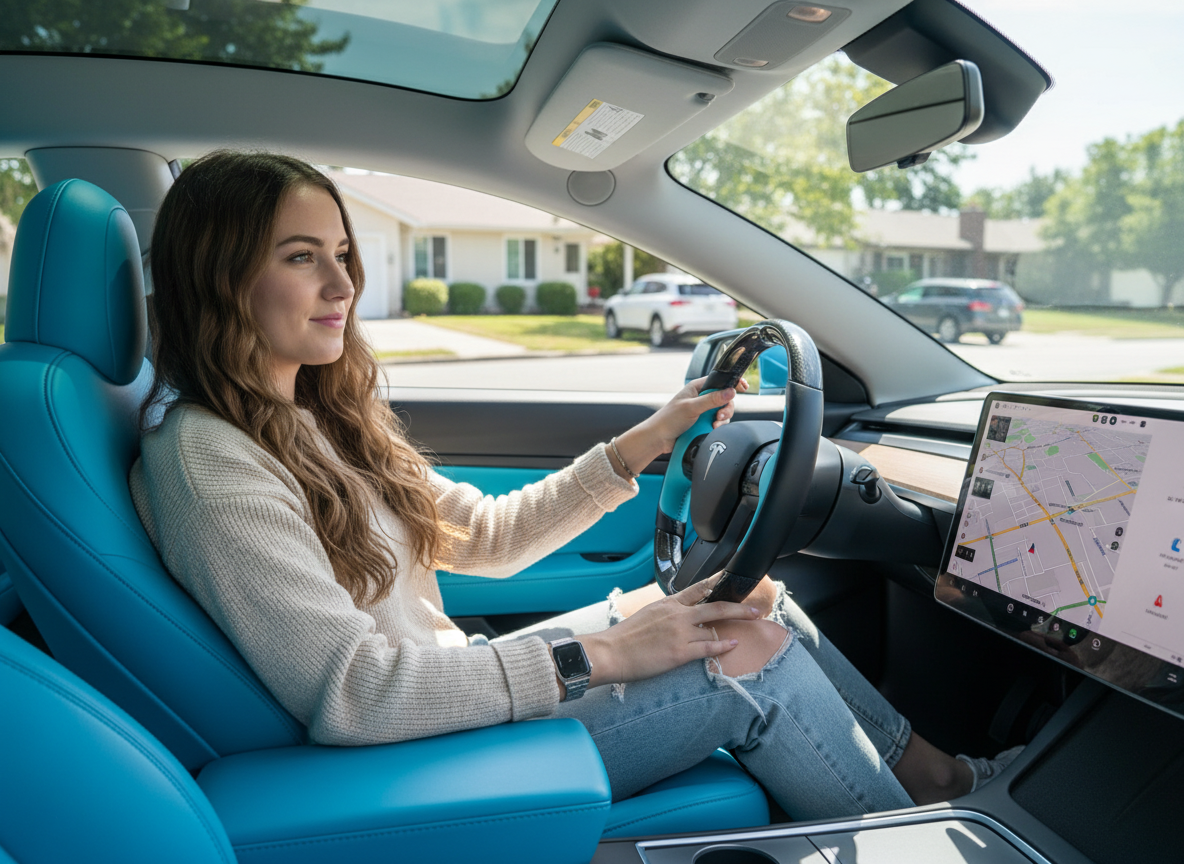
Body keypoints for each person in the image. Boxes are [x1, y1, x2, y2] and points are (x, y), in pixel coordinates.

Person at [130, 151, 1018, 822]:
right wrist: (601, 655)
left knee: (749, 602)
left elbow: (487, 536)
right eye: (300, 258)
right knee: (747, 659)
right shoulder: (210, 460)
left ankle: (944, 781)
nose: (342, 285)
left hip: (448, 687)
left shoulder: (308, 420)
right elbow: (353, 693)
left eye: (341, 253)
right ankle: (920, 834)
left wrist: (645, 442)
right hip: (409, 740)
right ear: (220, 276)